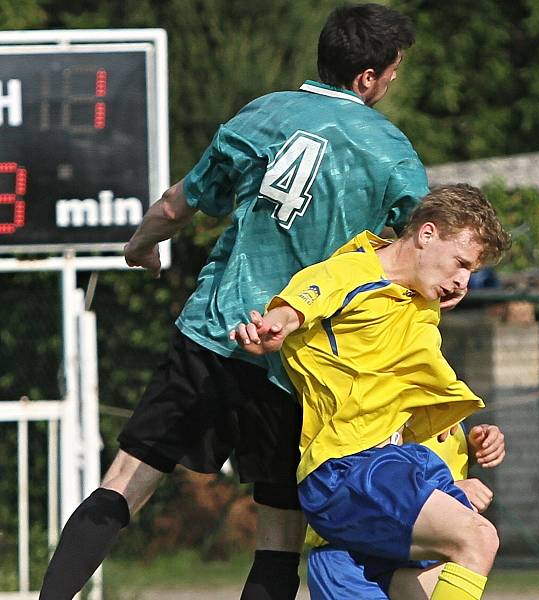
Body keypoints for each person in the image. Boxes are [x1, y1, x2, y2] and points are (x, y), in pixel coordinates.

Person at [38, 5, 453, 600]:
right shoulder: (393, 154)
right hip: (295, 361)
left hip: (213, 332)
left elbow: (178, 205)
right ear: (367, 77)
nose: (393, 81)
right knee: (279, 529)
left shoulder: (263, 115)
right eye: (393, 70)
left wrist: (142, 244)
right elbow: (414, 261)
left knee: (125, 481)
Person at [232, 184, 512, 600]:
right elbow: (300, 304)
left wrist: (465, 440)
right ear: (427, 234)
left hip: (381, 487)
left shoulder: (421, 303)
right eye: (460, 264)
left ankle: (355, 565)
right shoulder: (350, 273)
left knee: (444, 576)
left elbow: (407, 395)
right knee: (477, 539)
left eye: (470, 272)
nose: (462, 282)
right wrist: (274, 325)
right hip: (347, 470)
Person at [306, 423, 506, 600]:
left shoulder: (445, 395)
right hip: (354, 558)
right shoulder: (386, 392)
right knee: (480, 539)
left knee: (477, 545)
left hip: (417, 562)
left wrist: (471, 448)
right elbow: (362, 473)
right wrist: (447, 489)